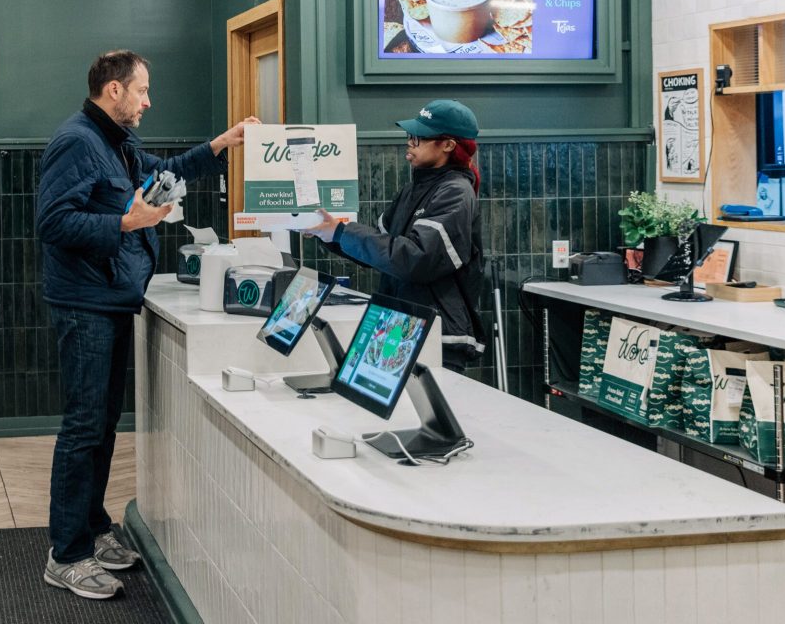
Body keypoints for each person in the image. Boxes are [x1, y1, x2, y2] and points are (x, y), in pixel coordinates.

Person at [36, 49, 256, 600]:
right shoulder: (76, 141)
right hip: (85, 302)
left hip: (110, 298)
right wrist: (123, 222)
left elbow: (164, 174)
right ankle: (66, 555)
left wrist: (220, 145)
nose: (148, 101)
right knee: (84, 428)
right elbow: (52, 222)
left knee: (102, 425)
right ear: (114, 90)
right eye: (142, 90)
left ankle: (91, 529)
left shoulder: (116, 141)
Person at [305, 99, 485, 371]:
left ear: (448, 145)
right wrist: (327, 233)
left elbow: (415, 259)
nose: (409, 143)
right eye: (410, 135)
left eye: (419, 137)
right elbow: (380, 251)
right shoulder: (413, 190)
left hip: (436, 337)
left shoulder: (456, 193)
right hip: (401, 327)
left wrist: (341, 231)